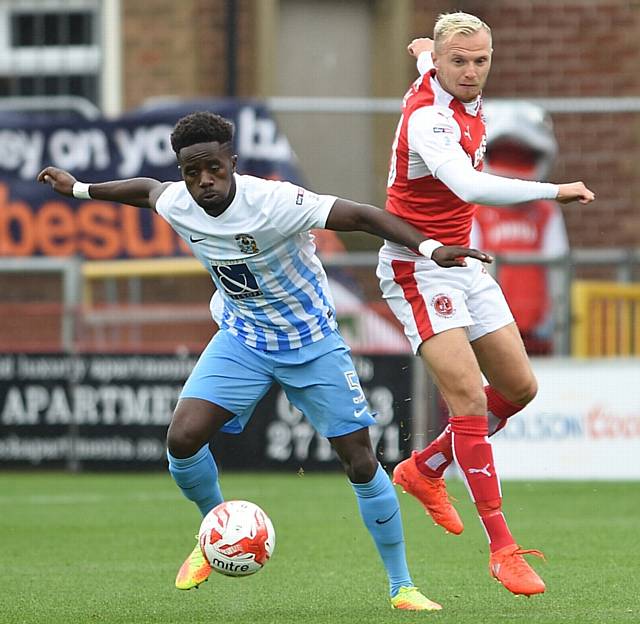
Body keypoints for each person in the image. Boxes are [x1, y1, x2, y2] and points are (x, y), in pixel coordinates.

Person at [38, 111, 493, 612]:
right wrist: (78, 189)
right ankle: (216, 531)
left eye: (213, 168)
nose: (203, 181)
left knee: (360, 462)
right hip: (244, 340)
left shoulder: (275, 202)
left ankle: (401, 586)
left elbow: (362, 216)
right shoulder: (178, 202)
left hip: (313, 343)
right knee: (182, 439)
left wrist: (430, 248)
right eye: (192, 172)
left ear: (232, 162)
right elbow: (145, 189)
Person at [377, 12, 595, 597]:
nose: (472, 72)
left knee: (520, 388)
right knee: (470, 398)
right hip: (418, 266)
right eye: (459, 61)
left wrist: (426, 51)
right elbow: (470, 187)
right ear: (443, 65)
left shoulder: (448, 81)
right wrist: (554, 189)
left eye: (481, 60)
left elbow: (429, 56)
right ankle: (503, 549)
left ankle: (423, 469)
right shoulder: (428, 118)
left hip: (464, 263)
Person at [470, 101, 569, 355]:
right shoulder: (476, 210)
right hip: (492, 324)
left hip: (538, 325)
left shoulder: (545, 211)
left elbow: (558, 267)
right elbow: (471, 267)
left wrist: (554, 318)